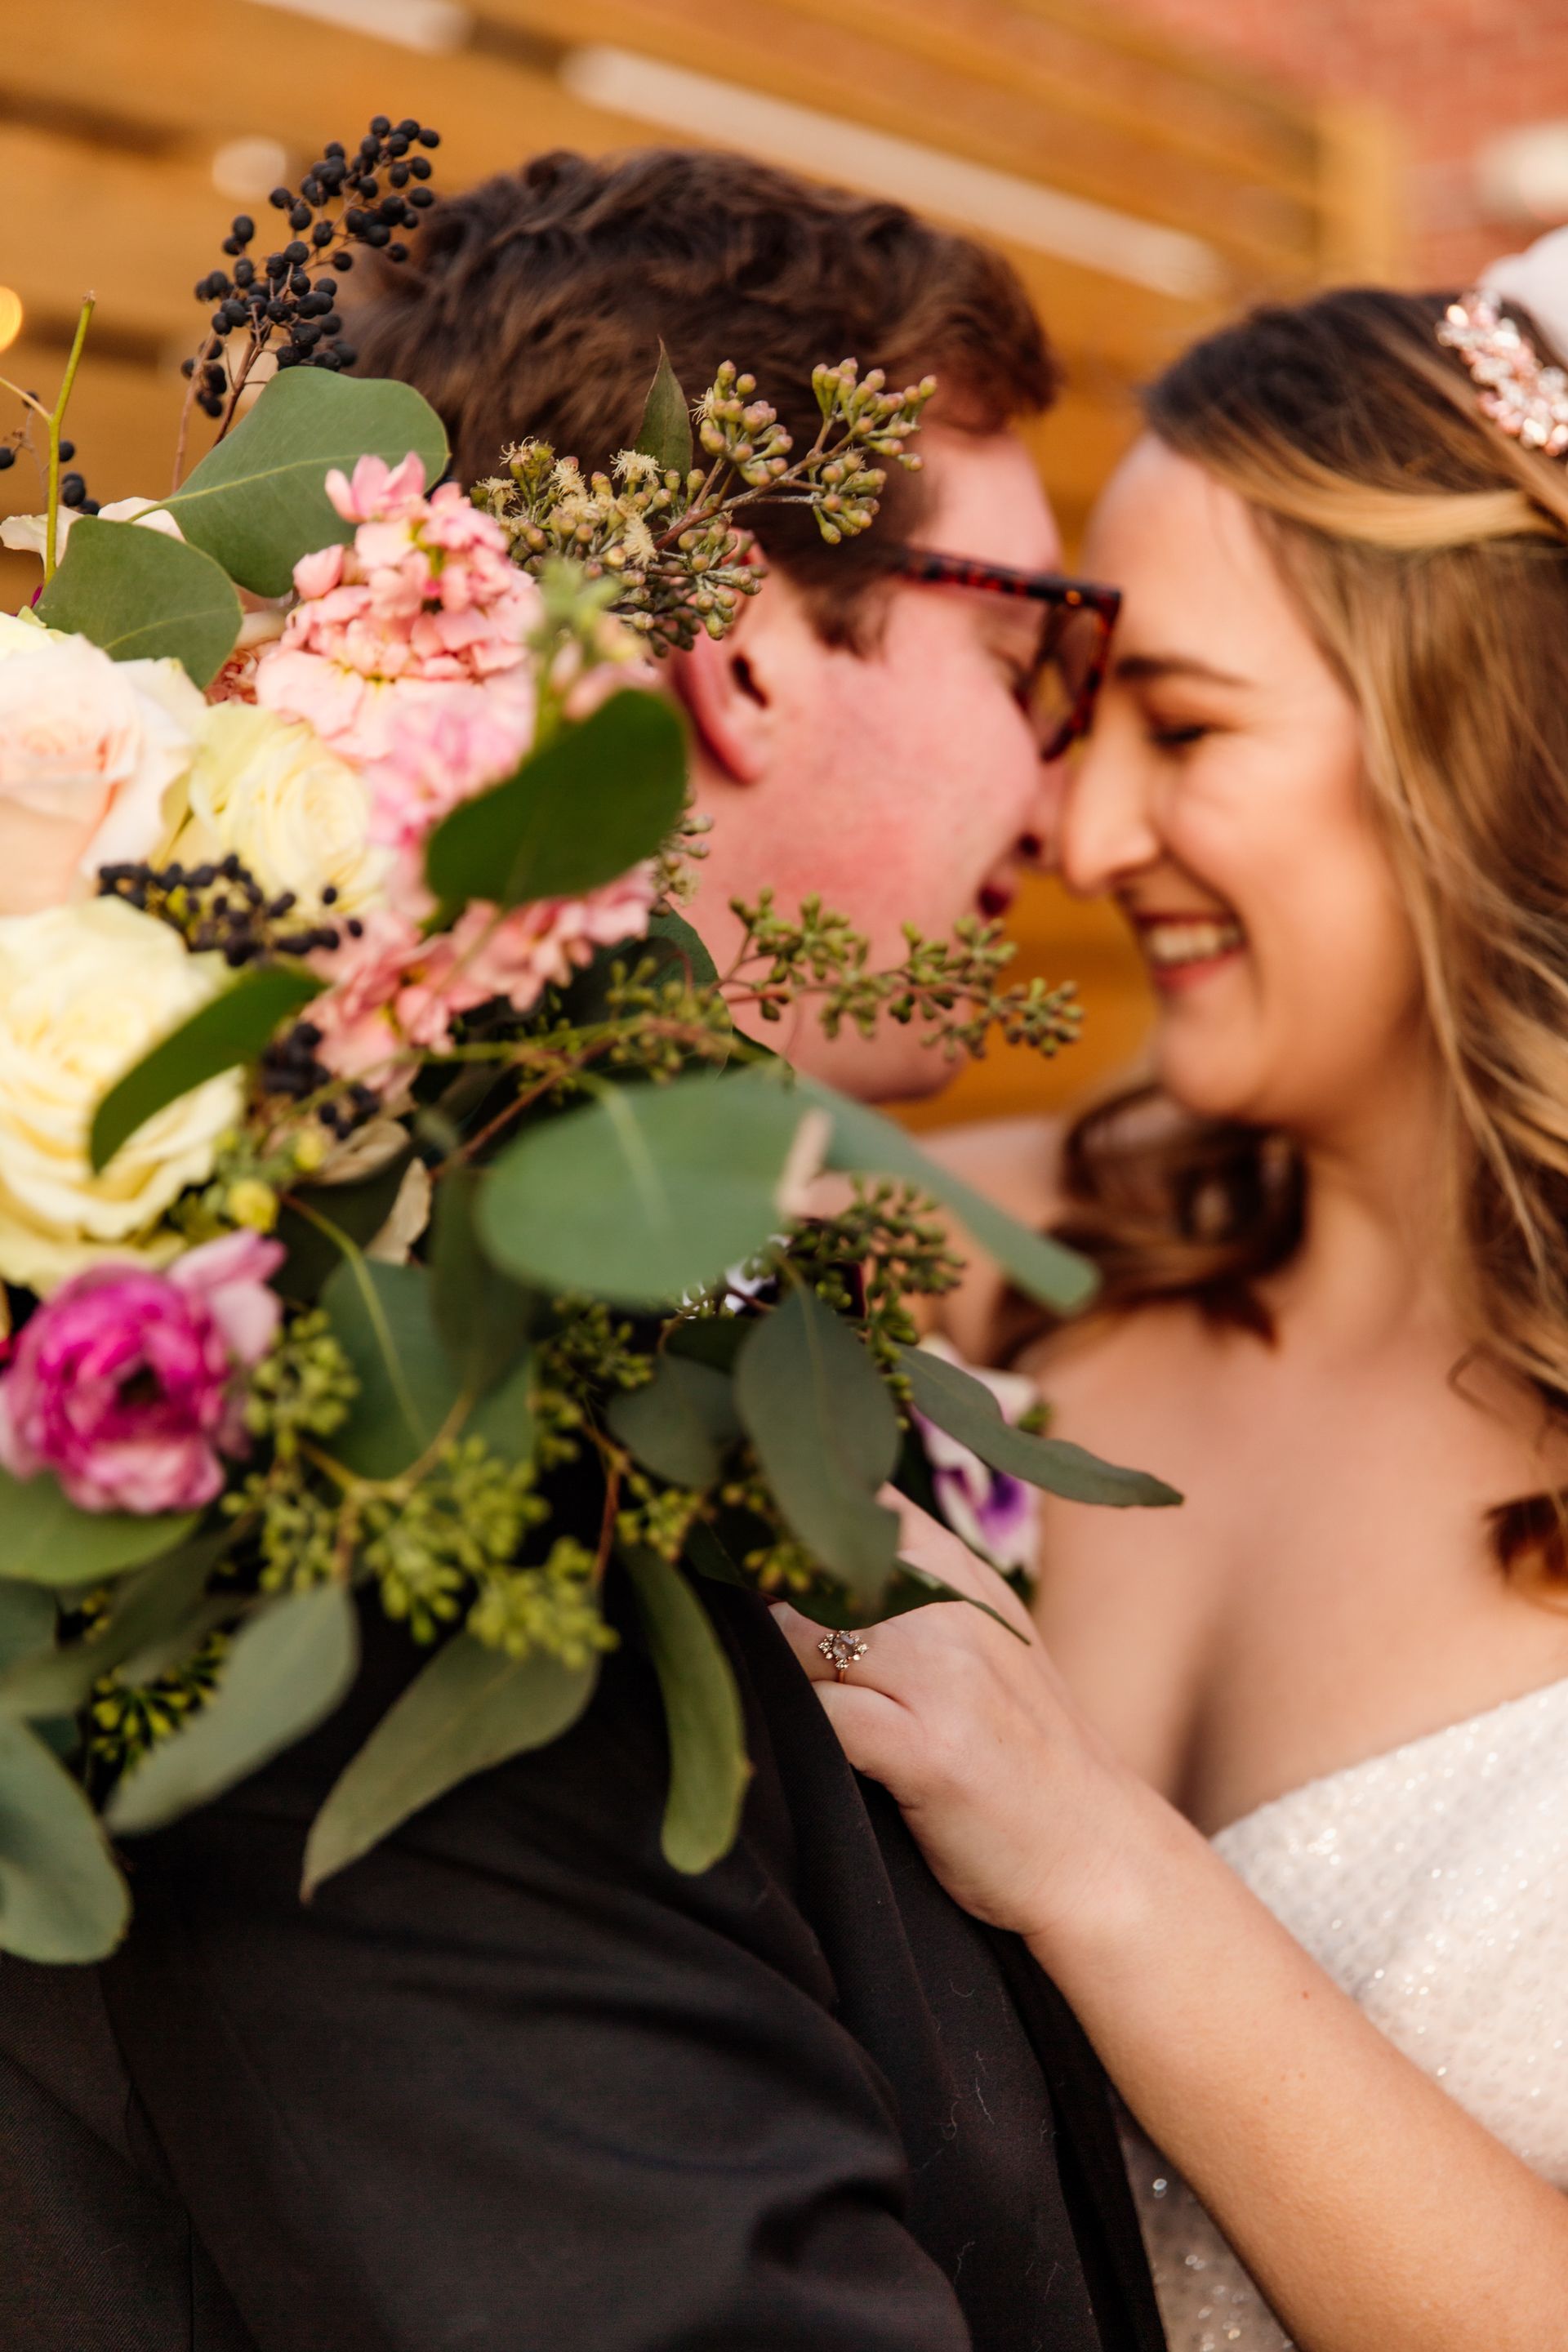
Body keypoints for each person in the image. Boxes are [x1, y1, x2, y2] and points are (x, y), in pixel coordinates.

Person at [0, 150, 1162, 2352]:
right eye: (1034, 649)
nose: (1061, 800)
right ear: (740, 645)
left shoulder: (679, 1324)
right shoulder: (375, 1460)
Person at [779, 252, 1568, 2352]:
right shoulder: (992, 1263)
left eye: (1187, 728)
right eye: (1080, 714)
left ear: (1502, 747)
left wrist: (1103, 1862)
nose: (1084, 824)